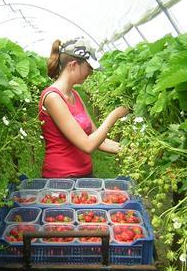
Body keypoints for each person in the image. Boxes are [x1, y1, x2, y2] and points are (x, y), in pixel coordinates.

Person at [38, 37, 129, 178]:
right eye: (89, 68)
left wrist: (129, 150)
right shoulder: (53, 98)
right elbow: (87, 145)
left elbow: (97, 139)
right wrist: (115, 115)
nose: (91, 74)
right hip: (61, 180)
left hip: (84, 174)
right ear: (73, 65)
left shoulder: (75, 95)